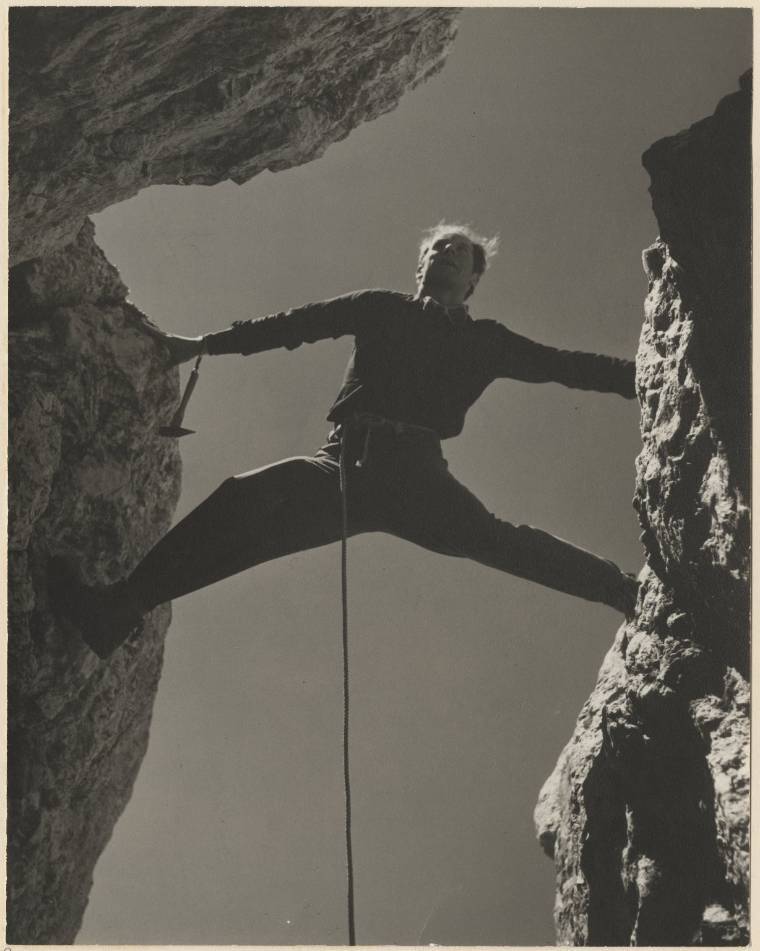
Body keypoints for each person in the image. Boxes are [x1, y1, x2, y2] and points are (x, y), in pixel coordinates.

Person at [51, 223, 639, 659]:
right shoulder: (380, 308)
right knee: (244, 504)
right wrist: (205, 344)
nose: (447, 252)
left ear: (474, 282)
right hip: (341, 462)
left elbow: (564, 365)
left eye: (460, 251)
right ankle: (119, 609)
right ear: (421, 265)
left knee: (496, 541)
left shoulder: (487, 341)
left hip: (416, 474)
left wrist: (644, 376)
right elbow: (296, 325)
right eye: (438, 246)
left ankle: (619, 589)